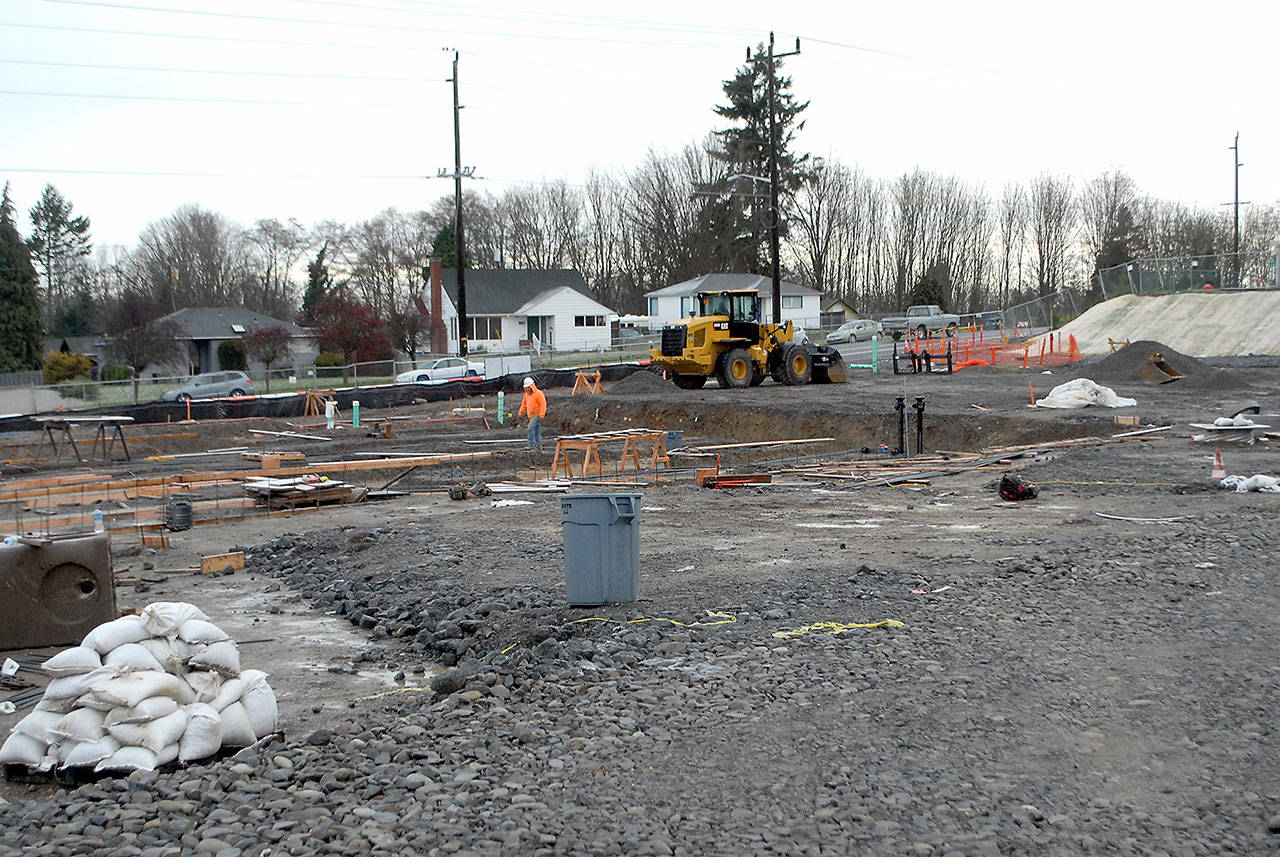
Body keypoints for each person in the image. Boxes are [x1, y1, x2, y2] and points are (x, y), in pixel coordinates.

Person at [517, 376, 546, 452]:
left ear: (531, 386)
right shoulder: (526, 395)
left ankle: (531, 444)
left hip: (537, 415)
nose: (527, 389)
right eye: (526, 388)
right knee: (536, 432)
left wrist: (541, 415)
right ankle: (540, 449)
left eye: (528, 387)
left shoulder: (538, 394)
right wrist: (520, 412)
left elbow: (543, 404)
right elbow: (524, 405)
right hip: (531, 416)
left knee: (530, 427)